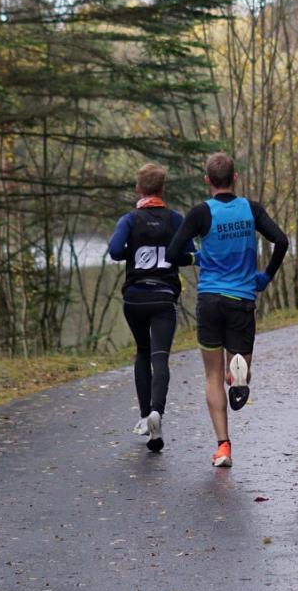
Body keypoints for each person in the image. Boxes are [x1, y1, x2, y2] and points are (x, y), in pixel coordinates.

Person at [165, 152, 288, 468]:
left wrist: (197, 259)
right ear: (235, 178)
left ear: (208, 181)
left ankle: (223, 447)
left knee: (212, 375)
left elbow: (173, 252)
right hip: (242, 300)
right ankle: (240, 378)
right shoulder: (251, 210)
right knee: (238, 369)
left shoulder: (201, 213)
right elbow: (282, 241)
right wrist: (266, 277)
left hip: (209, 301)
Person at [108, 163, 194, 452]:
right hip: (163, 298)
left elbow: (115, 251)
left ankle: (146, 418)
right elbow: (187, 255)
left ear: (138, 188)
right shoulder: (176, 219)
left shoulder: (129, 220)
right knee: (161, 357)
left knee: (142, 353)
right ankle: (157, 412)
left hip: (134, 298)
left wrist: (136, 247)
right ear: (163, 189)